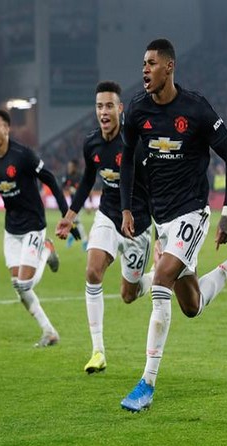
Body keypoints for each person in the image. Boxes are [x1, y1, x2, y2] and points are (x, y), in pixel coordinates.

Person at [119, 38, 227, 412]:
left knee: (162, 279)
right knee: (191, 306)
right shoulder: (137, 110)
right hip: (161, 219)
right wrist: (126, 209)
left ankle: (146, 384)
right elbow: (127, 164)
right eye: (143, 64)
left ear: (169, 67)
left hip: (193, 212)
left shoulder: (196, 108)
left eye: (151, 63)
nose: (144, 70)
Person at [56, 80, 154, 374]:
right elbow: (88, 179)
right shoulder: (91, 143)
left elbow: (154, 186)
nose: (104, 111)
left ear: (120, 109)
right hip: (109, 215)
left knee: (128, 294)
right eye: (99, 106)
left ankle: (154, 277)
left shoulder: (135, 144)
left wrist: (160, 231)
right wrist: (70, 214)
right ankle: (98, 351)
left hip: (139, 224)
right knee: (92, 270)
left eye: (109, 105)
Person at [0, 109, 78, 347]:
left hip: (34, 225)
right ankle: (49, 332)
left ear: (6, 129)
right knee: (19, 287)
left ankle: (46, 250)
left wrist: (66, 214)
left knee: (25, 284)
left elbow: (50, 179)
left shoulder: (23, 155)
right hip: (11, 231)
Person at [60, 159, 88, 249]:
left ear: (75, 167)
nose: (69, 168)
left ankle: (84, 241)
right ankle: (72, 237)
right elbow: (62, 186)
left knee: (76, 222)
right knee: (73, 221)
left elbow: (85, 190)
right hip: (72, 204)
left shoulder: (80, 177)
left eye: (71, 167)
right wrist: (69, 189)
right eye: (68, 167)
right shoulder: (68, 176)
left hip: (80, 204)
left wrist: (88, 204)